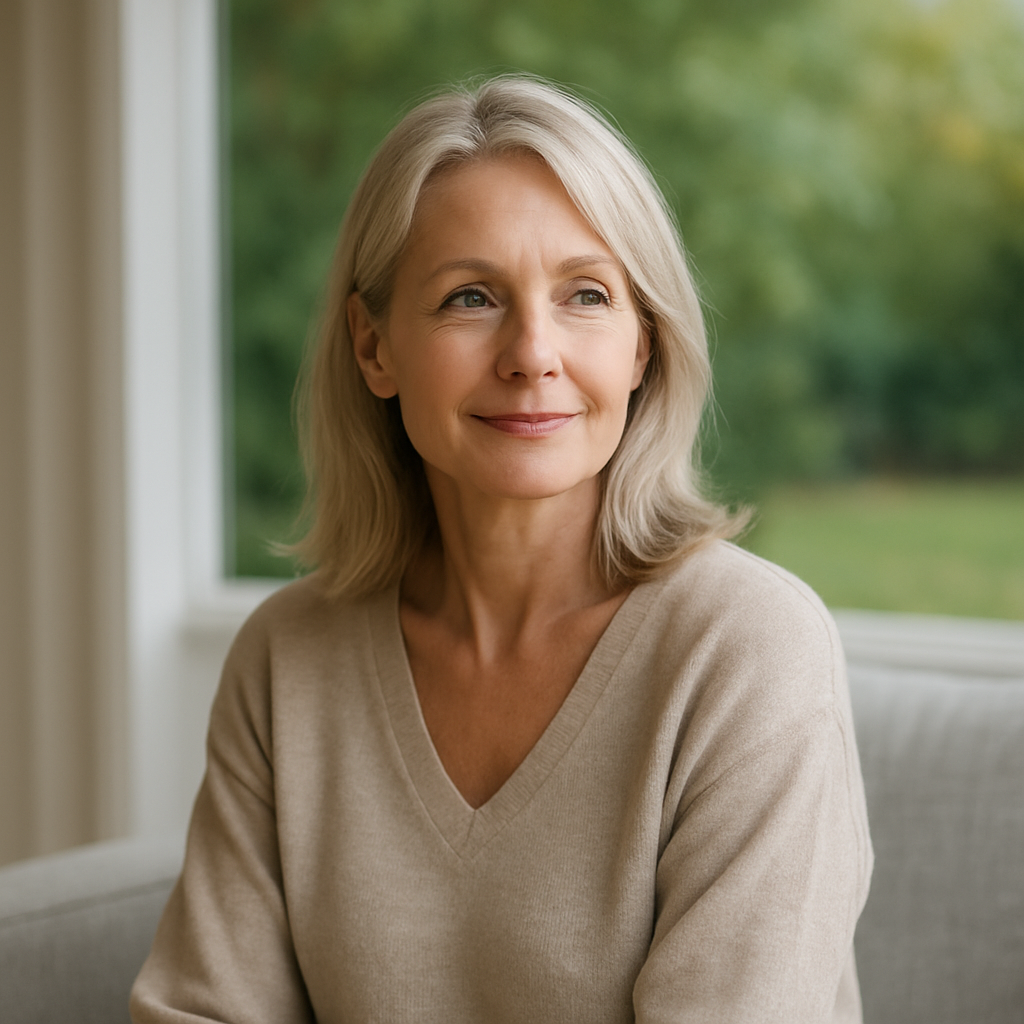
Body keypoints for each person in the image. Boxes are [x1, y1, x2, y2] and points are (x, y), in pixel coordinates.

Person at [130, 75, 872, 1024]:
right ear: (373, 348)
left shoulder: (750, 649)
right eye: (470, 297)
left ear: (641, 345)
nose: (532, 352)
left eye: (587, 295)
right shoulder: (287, 659)